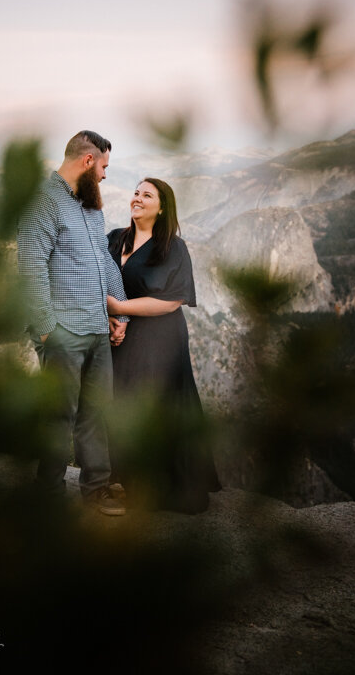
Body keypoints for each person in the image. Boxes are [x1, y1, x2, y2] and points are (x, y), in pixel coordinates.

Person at [17, 130, 129, 516]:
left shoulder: (91, 207)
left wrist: (120, 314)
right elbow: (30, 268)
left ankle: (95, 490)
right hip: (63, 332)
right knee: (58, 418)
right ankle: (47, 494)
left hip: (97, 329)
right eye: (103, 167)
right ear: (87, 161)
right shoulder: (42, 203)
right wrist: (48, 330)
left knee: (96, 413)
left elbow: (104, 260)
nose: (104, 176)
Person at [107, 177, 221, 514]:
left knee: (156, 405)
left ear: (162, 207)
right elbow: (99, 281)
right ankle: (128, 481)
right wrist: (111, 320)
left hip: (160, 339)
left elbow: (172, 301)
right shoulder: (115, 239)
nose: (137, 198)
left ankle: (160, 488)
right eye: (136, 192)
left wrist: (120, 309)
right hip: (120, 337)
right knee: (122, 402)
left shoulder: (172, 247)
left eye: (147, 195)